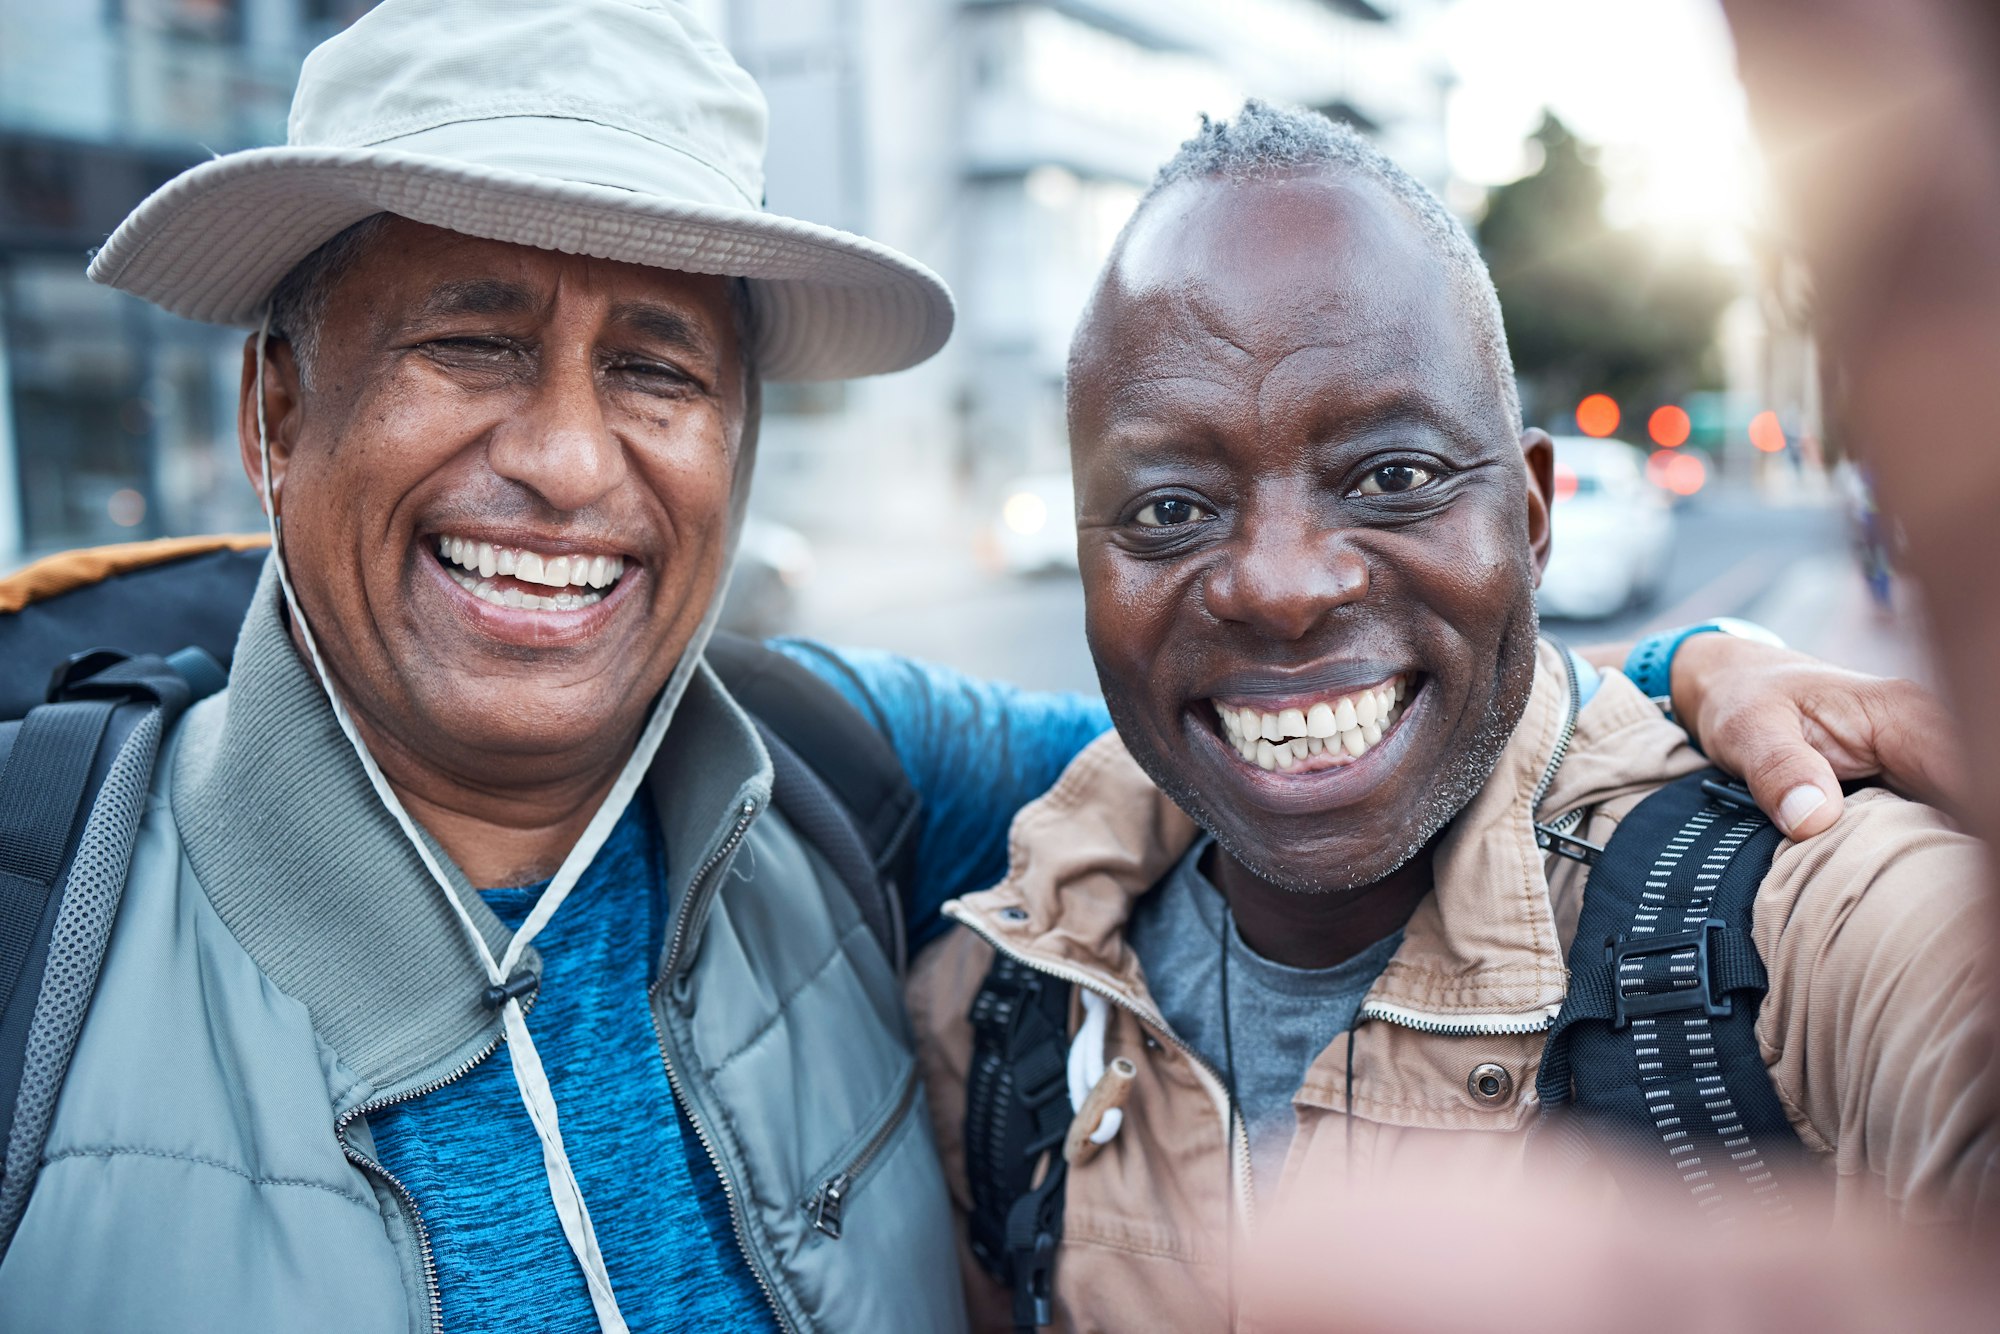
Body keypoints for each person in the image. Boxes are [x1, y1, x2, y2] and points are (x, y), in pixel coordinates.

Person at [0, 7, 1959, 1330]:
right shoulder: (43, 938)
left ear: (738, 446)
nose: (574, 457)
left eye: (660, 368)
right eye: (469, 341)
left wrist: (1701, 665)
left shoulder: (847, 785)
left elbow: (1315, 744)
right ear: (277, 406)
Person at [904, 102, 1996, 1332]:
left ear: (1529, 518)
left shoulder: (1800, 912)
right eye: (1167, 508)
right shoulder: (999, 1004)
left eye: (1394, 476)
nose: (1279, 584)